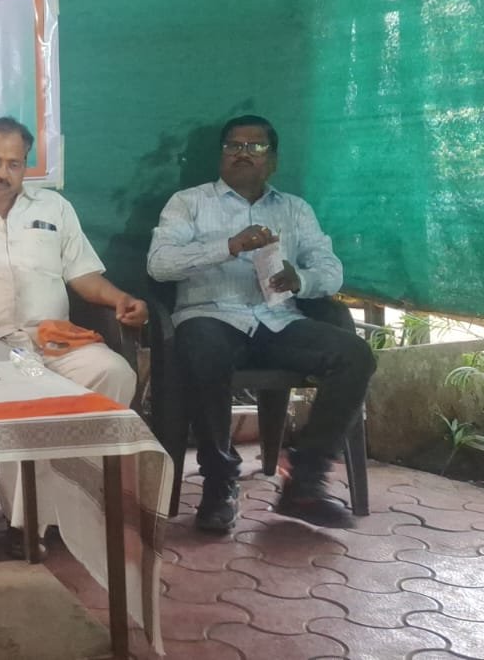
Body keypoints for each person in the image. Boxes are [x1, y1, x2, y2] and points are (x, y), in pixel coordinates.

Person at [148, 114, 375, 533]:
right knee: (200, 345)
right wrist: (229, 246)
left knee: (355, 354)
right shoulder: (189, 203)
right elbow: (159, 264)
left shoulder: (294, 209)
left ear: (273, 161)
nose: (243, 154)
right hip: (211, 316)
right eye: (233, 146)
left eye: (256, 148)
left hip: (278, 320)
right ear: (221, 156)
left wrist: (300, 278)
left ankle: (304, 481)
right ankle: (219, 482)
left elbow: (330, 270)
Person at [0, 117, 144, 542]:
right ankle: (29, 523)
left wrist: (120, 298)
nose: (2, 173)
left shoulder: (54, 209)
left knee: (115, 373)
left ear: (26, 165)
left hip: (52, 339)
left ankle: (77, 500)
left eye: (14, 163)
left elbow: (84, 275)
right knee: (14, 392)